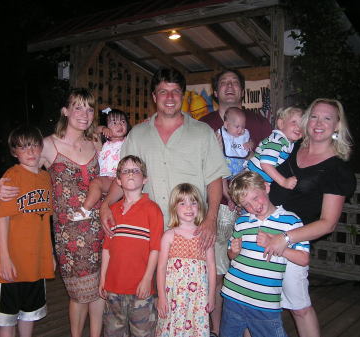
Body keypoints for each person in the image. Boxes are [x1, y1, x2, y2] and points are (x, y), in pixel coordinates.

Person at [0, 88, 105, 337]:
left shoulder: (96, 143)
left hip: (102, 230)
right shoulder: (47, 145)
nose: (84, 114)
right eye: (78, 107)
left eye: (89, 108)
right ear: (65, 111)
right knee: (79, 294)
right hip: (70, 236)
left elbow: (109, 177)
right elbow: (21, 170)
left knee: (100, 290)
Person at [100, 67, 230, 252]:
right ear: (154, 97)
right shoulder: (137, 135)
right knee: (151, 281)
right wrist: (106, 204)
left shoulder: (202, 132)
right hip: (148, 231)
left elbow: (214, 179)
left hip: (193, 230)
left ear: (182, 96)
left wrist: (211, 219)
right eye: (163, 92)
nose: (170, 98)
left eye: (175, 91)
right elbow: (123, 178)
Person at [257, 98, 356, 337]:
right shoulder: (291, 148)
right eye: (314, 116)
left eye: (327, 118)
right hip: (263, 234)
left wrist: (284, 238)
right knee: (258, 305)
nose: (319, 122)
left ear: (337, 126)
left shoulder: (337, 169)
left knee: (299, 308)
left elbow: (328, 223)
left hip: (291, 242)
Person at [200, 69, 272, 337]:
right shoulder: (203, 125)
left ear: (242, 90)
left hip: (252, 209)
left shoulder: (259, 123)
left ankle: (249, 329)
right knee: (217, 271)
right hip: (217, 208)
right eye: (223, 83)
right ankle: (218, 330)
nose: (229, 87)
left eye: (234, 83)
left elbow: (270, 164)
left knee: (249, 268)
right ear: (216, 91)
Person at [0, 125, 55, 337]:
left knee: (30, 314)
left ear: (41, 147)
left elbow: (46, 220)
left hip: (36, 261)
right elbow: (3, 219)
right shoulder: (12, 176)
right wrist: (4, 258)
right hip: (12, 260)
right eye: (24, 148)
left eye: (34, 146)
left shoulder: (45, 178)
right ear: (15, 152)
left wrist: (50, 254)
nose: (31, 152)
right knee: (7, 317)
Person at [220, 171, 310, 337]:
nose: (253, 207)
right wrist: (234, 251)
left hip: (265, 301)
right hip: (233, 295)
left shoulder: (291, 221)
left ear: (266, 187)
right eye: (246, 205)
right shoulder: (241, 222)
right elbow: (231, 256)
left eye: (255, 198)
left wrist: (277, 245)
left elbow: (303, 259)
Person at [99, 155, 163, 337]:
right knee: (113, 332)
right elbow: (107, 249)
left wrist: (147, 279)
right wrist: (103, 278)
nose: (131, 174)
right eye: (125, 171)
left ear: (144, 179)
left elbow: (155, 249)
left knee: (143, 333)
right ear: (118, 180)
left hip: (140, 289)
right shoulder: (113, 210)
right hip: (113, 287)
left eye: (136, 170)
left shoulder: (153, 209)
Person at [156, 183, 216, 337]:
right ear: (174, 207)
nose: (189, 207)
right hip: (174, 298)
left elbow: (211, 267)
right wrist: (161, 297)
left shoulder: (205, 235)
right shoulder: (169, 236)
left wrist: (211, 295)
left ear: (199, 206)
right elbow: (161, 267)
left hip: (198, 299)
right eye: (182, 203)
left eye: (193, 202)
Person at [74, 108, 130, 221]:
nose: (119, 125)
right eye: (114, 123)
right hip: (107, 179)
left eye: (123, 122)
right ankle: (86, 209)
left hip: (122, 180)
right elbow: (93, 131)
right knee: (95, 183)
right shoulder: (103, 145)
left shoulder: (128, 141)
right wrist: (102, 128)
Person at [246, 106, 303, 189]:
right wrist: (284, 182)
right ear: (281, 124)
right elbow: (266, 164)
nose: (299, 127)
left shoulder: (290, 143)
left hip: (260, 181)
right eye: (294, 122)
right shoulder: (277, 140)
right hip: (251, 180)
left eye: (302, 125)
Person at [218, 107, 253, 211]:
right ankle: (229, 199)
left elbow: (252, 143)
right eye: (237, 126)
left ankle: (241, 202)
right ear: (226, 125)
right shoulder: (220, 134)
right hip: (225, 167)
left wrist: (250, 144)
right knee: (221, 182)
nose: (241, 130)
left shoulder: (244, 135)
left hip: (240, 168)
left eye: (243, 127)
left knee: (243, 183)